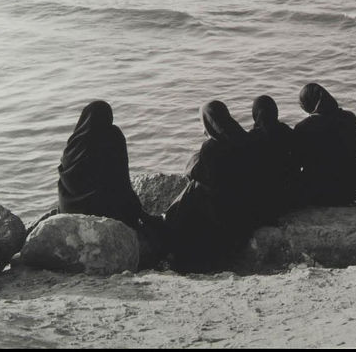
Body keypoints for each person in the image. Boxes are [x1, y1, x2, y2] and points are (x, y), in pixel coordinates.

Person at [57, 100, 164, 267]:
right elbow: (121, 182)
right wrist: (139, 212)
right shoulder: (112, 136)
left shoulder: (73, 144)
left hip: (70, 209)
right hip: (105, 212)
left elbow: (64, 182)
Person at [164, 100, 255, 273]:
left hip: (221, 217)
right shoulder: (247, 140)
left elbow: (199, 176)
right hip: (246, 212)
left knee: (194, 191)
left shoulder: (211, 148)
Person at [293, 83, 356, 206]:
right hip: (350, 186)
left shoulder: (303, 127)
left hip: (317, 191)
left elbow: (298, 161)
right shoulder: (349, 118)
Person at [248, 95, 301, 223]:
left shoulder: (251, 138)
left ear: (255, 114)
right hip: (291, 196)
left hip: (263, 200)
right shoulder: (287, 131)